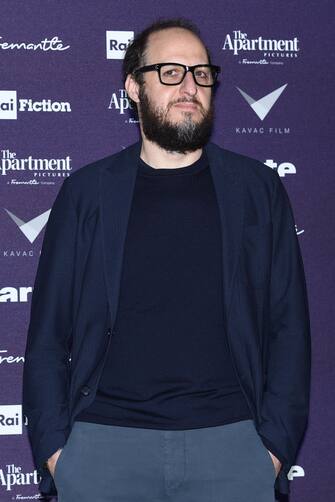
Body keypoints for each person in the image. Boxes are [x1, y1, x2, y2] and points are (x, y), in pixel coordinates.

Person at [22, 17, 311, 502]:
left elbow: (289, 329)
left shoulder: (258, 192)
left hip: (232, 450)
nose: (190, 86)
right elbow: (48, 333)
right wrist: (58, 453)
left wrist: (272, 450)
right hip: (102, 450)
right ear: (134, 88)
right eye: (171, 72)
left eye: (201, 73)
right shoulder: (87, 193)